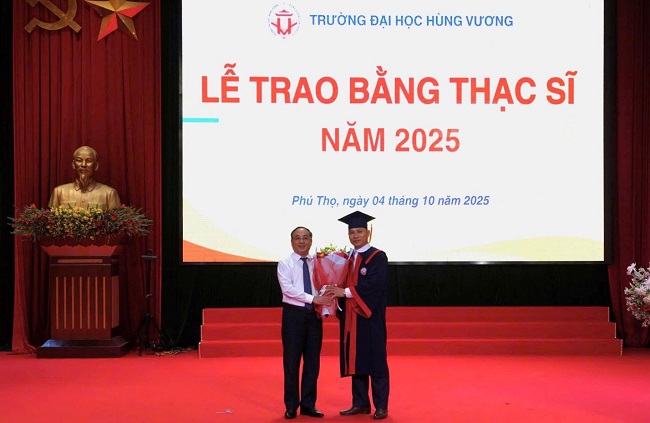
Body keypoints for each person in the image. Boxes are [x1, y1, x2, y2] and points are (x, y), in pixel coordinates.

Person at [326, 211, 390, 420]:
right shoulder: (347, 258)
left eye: (359, 231)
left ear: (368, 233)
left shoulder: (377, 257)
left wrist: (344, 292)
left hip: (369, 317)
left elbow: (374, 285)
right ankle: (360, 403)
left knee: (376, 360)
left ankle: (381, 406)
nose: (355, 236)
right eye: (352, 232)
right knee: (356, 358)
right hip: (351, 318)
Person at [277, 226, 333, 419]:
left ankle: (308, 404)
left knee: (312, 362)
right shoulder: (285, 263)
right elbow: (288, 289)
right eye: (297, 238)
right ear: (292, 241)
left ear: (311, 240)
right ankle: (291, 405)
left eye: (305, 238)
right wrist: (312, 298)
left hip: (314, 317)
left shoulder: (317, 262)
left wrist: (327, 293)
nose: (301, 241)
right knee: (291, 362)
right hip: (294, 316)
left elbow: (323, 284)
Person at [48, 146, 121, 210]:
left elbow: (115, 219)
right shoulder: (59, 192)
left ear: (96, 165)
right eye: (79, 160)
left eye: (89, 161)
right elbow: (52, 218)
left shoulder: (109, 194)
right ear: (73, 164)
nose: (83, 165)